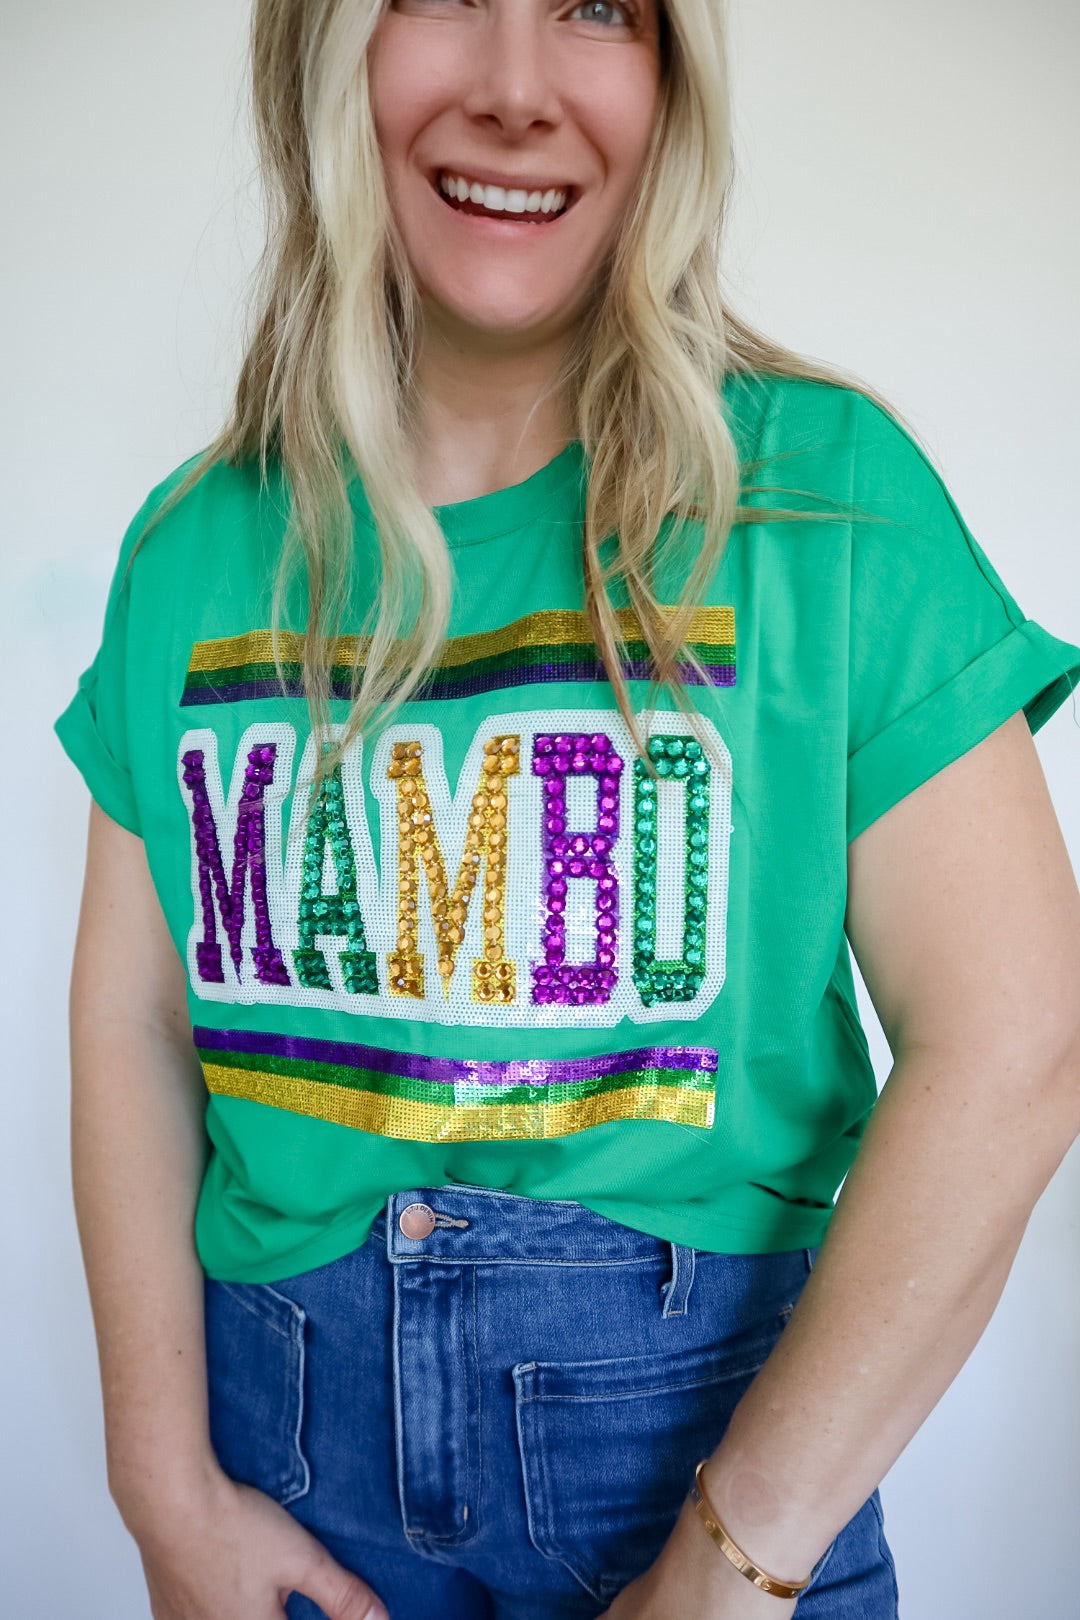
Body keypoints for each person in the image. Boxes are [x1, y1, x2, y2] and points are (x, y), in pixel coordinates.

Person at [54, 2, 1080, 1617]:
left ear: (670, 80)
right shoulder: (188, 546)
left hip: (711, 1476)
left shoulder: (826, 502)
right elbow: (131, 1020)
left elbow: (1018, 1047)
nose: (517, 90)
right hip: (284, 1476)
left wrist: (736, 1565)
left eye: (596, 6)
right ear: (324, 49)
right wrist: (159, 1488)